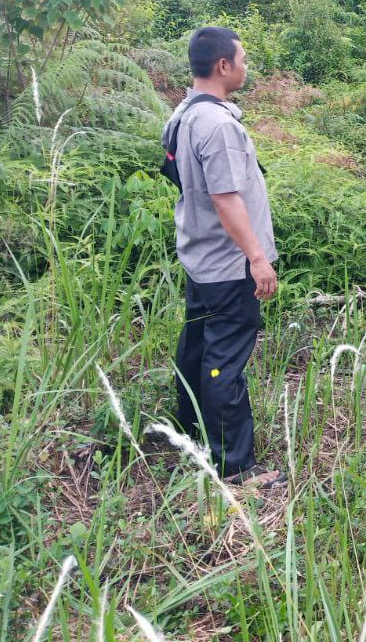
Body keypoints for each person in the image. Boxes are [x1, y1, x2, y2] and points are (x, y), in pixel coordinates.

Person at [160, 26, 283, 486]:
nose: (247, 67)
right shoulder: (219, 125)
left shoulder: (184, 114)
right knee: (224, 362)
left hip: (200, 256)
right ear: (223, 65)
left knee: (197, 349)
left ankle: (190, 431)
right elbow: (226, 197)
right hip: (229, 264)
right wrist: (256, 257)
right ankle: (234, 467)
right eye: (243, 59)